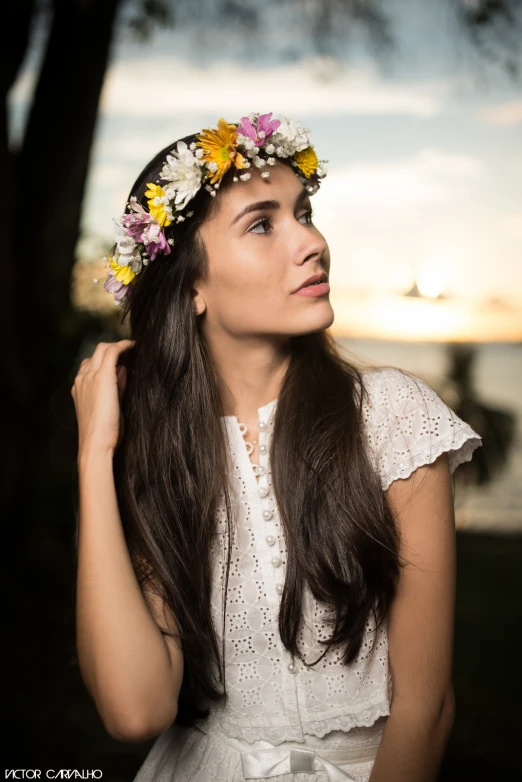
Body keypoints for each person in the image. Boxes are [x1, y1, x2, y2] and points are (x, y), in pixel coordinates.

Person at [71, 113, 483, 782]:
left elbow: (425, 707)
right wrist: (95, 454)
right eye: (263, 224)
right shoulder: (160, 457)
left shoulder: (391, 417)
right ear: (193, 285)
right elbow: (134, 711)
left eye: (305, 212)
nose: (311, 242)